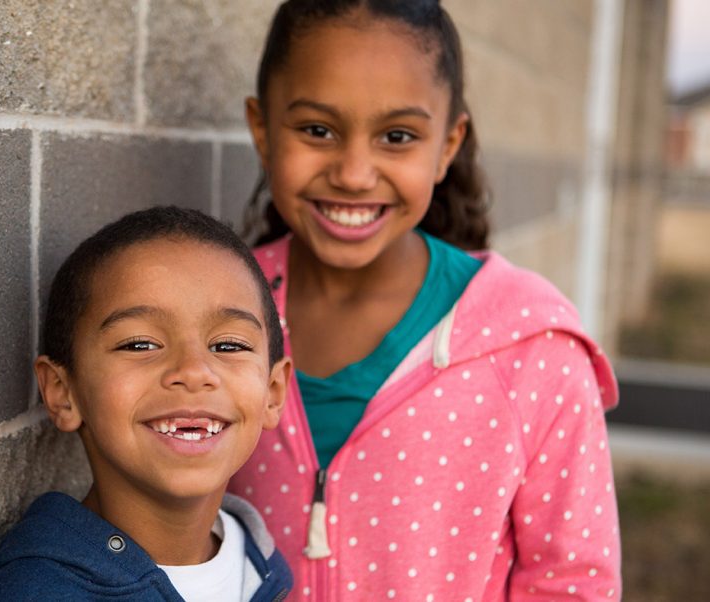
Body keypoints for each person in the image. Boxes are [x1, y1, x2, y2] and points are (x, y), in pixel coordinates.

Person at [227, 0, 622, 599]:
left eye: (397, 136)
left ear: (448, 144)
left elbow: (572, 581)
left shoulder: (531, 346)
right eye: (317, 130)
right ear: (262, 129)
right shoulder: (217, 309)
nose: (355, 173)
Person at [0, 206, 294, 601]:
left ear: (274, 392)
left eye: (228, 345)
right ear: (62, 391)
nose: (194, 371)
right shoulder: (38, 592)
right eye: (140, 344)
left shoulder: (258, 563)